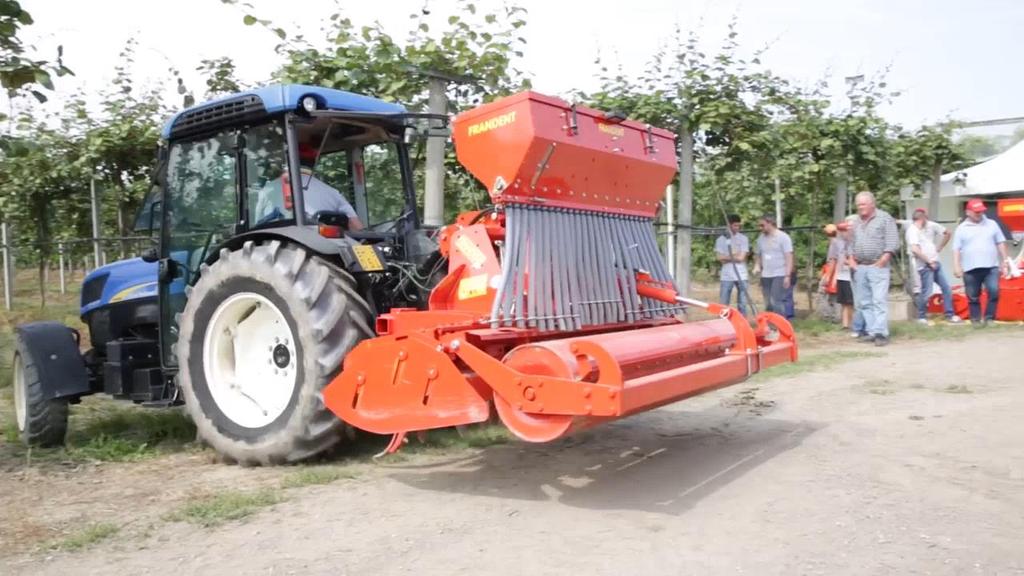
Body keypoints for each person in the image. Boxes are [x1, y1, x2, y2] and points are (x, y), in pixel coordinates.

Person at [257, 144, 364, 230]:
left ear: (287, 162)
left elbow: (257, 226)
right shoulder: (333, 192)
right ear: (313, 163)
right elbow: (356, 227)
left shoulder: (267, 190)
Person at [847, 191, 899, 346]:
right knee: (864, 302)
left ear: (872, 204)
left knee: (878, 300)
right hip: (861, 266)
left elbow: (893, 240)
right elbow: (850, 241)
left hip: (878, 265)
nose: (860, 208)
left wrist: (884, 258)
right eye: (858, 205)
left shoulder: (884, 218)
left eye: (863, 204)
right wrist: (851, 258)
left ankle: (881, 333)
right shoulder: (855, 221)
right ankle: (871, 331)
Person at [952, 198, 1009, 326]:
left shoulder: (992, 224)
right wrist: (957, 266)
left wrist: (1005, 260)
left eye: (981, 211)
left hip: (991, 266)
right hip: (970, 267)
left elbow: (1000, 242)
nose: (979, 214)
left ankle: (989, 318)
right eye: (976, 211)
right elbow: (956, 249)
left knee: (994, 291)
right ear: (968, 212)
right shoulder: (962, 228)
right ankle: (975, 320)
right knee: (973, 295)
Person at [905, 208, 960, 324]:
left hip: (935, 262)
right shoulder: (912, 231)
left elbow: (947, 233)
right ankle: (921, 316)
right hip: (924, 265)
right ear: (922, 218)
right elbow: (915, 250)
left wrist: (939, 247)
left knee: (946, 288)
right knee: (926, 292)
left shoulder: (931, 225)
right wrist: (929, 261)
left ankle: (949, 314)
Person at [753, 214, 794, 315]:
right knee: (768, 303)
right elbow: (758, 254)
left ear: (770, 223)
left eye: (762, 225)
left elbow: (789, 256)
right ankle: (770, 325)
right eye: (759, 225)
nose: (760, 228)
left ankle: (780, 325)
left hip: (779, 273)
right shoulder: (760, 238)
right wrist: (757, 265)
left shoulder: (783, 237)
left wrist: (787, 275)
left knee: (776, 301)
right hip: (766, 274)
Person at [715, 214, 750, 315]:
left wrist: (727, 257)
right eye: (735, 225)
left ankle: (743, 322)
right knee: (724, 302)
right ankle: (723, 323)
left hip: (741, 274)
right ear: (729, 225)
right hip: (726, 275)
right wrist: (734, 255)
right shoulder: (720, 240)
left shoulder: (743, 239)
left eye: (739, 226)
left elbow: (741, 258)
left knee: (742, 302)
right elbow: (719, 258)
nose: (737, 228)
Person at [823, 222, 855, 330]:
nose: (843, 233)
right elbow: (833, 260)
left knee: (851, 302)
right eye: (841, 231)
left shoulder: (854, 242)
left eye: (845, 230)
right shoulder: (836, 243)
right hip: (842, 275)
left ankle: (851, 323)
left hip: (853, 275)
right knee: (844, 302)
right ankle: (845, 324)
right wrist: (830, 277)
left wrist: (849, 261)